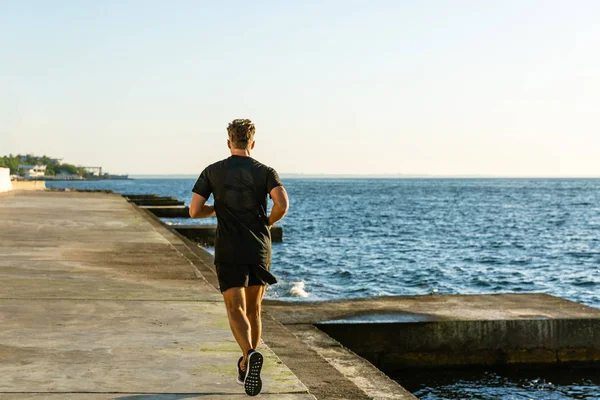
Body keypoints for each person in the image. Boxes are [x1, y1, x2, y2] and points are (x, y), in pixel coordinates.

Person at [189, 119, 289, 396]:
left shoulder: (212, 171)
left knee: (235, 309)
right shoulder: (266, 171)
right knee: (254, 310)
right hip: (258, 247)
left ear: (229, 142)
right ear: (253, 143)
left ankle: (248, 356)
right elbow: (282, 204)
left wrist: (218, 208)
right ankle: (248, 362)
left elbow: (194, 211)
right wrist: (268, 222)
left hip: (229, 249)